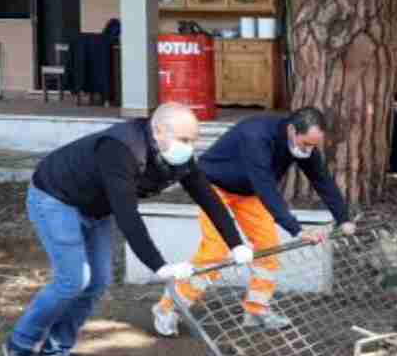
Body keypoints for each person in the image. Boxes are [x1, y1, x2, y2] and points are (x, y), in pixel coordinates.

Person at [2, 103, 250, 356]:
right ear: (158, 131)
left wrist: (236, 243)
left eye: (194, 140)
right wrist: (159, 266)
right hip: (55, 199)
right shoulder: (121, 149)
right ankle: (19, 345)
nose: (189, 147)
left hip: (93, 208)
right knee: (73, 280)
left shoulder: (177, 157)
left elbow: (208, 198)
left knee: (98, 281)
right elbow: (128, 216)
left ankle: (54, 354)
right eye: (184, 140)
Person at [151, 107, 355, 335]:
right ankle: (168, 308)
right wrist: (297, 229)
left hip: (247, 192)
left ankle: (256, 310)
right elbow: (265, 187)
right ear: (291, 130)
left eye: (313, 146)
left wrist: (343, 218)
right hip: (213, 186)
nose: (309, 150)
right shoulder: (256, 136)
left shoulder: (301, 145)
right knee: (216, 252)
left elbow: (322, 179)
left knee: (268, 247)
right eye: (306, 144)